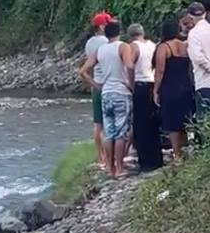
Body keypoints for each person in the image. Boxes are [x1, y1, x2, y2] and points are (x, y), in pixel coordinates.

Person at [82, 21, 135, 179]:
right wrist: (131, 84)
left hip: (106, 93)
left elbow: (83, 71)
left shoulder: (100, 50)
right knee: (120, 133)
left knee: (109, 132)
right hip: (121, 92)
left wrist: (97, 86)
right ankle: (119, 168)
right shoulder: (123, 47)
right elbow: (130, 66)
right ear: (119, 33)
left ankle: (110, 168)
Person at [153, 20, 195, 162]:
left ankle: (177, 154)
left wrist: (155, 90)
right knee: (184, 121)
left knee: (172, 124)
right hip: (185, 87)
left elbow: (160, 71)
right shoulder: (184, 46)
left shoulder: (163, 47)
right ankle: (185, 152)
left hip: (170, 88)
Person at [79, 11, 114, 169]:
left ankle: (100, 157)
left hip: (96, 85)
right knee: (109, 123)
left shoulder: (89, 43)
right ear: (102, 26)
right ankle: (110, 157)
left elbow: (90, 65)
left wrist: (94, 84)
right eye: (108, 23)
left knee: (97, 123)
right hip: (107, 84)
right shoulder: (107, 42)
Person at [127, 24, 163, 172]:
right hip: (153, 84)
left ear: (130, 35)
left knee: (140, 124)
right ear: (143, 32)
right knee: (153, 123)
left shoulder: (133, 47)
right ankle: (157, 159)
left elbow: (130, 66)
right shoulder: (152, 45)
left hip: (140, 85)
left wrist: (131, 84)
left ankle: (146, 162)